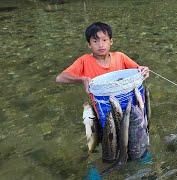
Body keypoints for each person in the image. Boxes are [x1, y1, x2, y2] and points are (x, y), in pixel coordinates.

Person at [56, 22, 150, 164]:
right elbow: (60, 78)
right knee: (110, 149)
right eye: (95, 41)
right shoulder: (83, 61)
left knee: (135, 144)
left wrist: (144, 70)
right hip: (104, 115)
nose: (101, 45)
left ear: (111, 42)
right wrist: (81, 79)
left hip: (130, 112)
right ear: (89, 44)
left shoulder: (120, 57)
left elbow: (138, 70)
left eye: (104, 40)